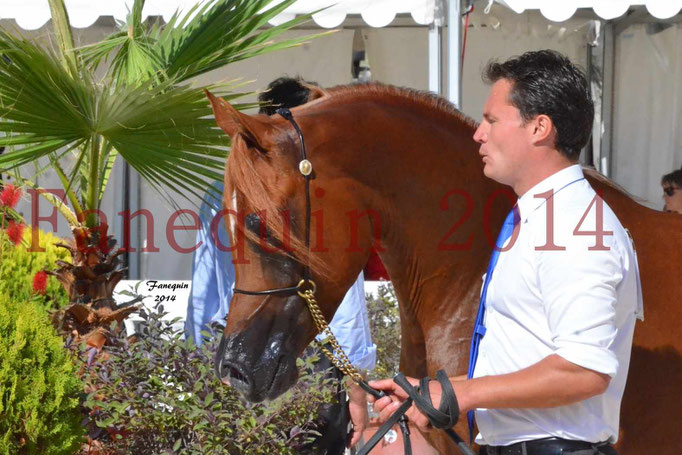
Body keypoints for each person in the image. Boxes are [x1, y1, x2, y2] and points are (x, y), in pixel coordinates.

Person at [369, 50, 642, 455]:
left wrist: (461, 396)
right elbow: (528, 353)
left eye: (492, 121)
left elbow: (585, 371)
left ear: (539, 128)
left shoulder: (572, 226)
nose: (478, 134)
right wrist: (434, 392)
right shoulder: (543, 217)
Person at [184, 77, 376, 452]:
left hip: (233, 353)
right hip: (306, 356)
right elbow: (345, 301)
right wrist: (356, 385)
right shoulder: (317, 190)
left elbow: (203, 284)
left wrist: (201, 365)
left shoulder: (222, 185)